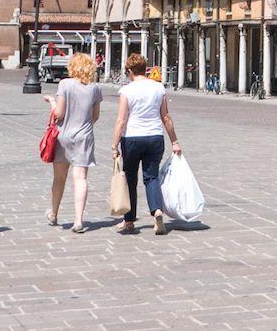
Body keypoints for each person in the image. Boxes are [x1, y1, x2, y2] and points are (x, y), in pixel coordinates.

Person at [109, 52, 180, 236]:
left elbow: (121, 121)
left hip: (132, 138)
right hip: (155, 137)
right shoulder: (158, 88)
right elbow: (166, 117)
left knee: (130, 179)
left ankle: (129, 221)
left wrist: (114, 145)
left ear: (131, 71)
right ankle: (156, 211)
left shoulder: (127, 90)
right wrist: (175, 141)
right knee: (152, 177)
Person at [47, 52, 105, 232]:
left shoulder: (65, 84)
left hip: (63, 136)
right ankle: (78, 220)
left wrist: (51, 101)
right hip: (84, 136)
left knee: (59, 178)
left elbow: (58, 114)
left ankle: (54, 214)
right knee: (80, 178)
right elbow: (95, 116)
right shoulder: (95, 88)